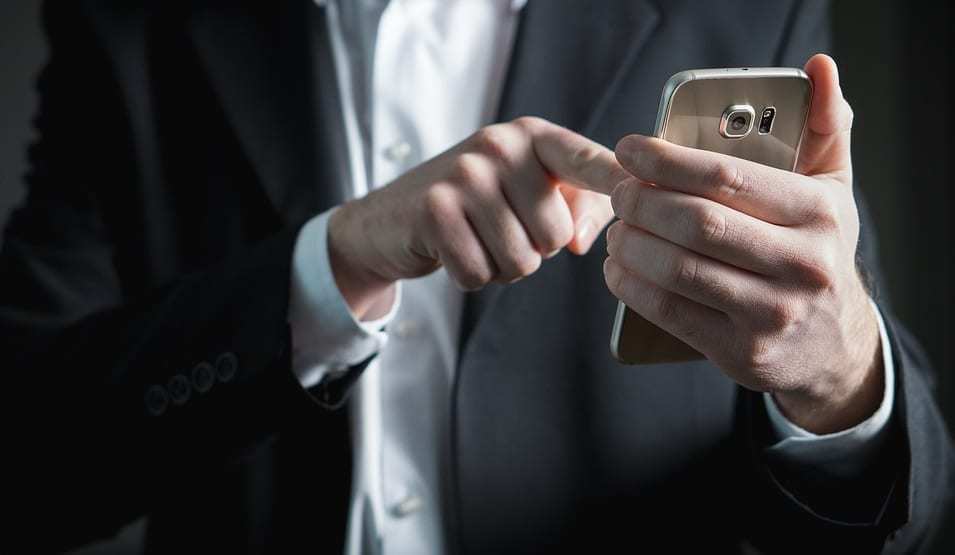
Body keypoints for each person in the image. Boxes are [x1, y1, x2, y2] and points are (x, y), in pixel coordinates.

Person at [3, 0, 951, 553]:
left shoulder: (743, 8)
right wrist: (333, 264)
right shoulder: (125, 22)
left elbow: (907, 508)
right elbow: (26, 462)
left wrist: (838, 383)